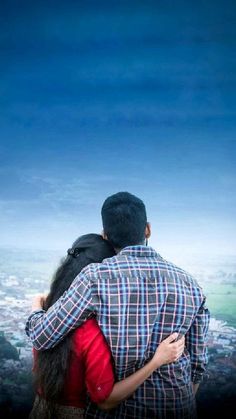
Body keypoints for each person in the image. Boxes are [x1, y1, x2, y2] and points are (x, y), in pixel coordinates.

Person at [26, 192, 210, 418]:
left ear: (105, 235)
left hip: (116, 411)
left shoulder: (95, 277)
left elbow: (42, 336)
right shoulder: (191, 285)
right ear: (148, 229)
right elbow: (198, 366)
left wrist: (37, 308)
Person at [29, 233, 185, 419]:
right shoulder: (90, 332)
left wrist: (36, 306)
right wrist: (156, 361)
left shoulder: (45, 318)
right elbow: (106, 399)